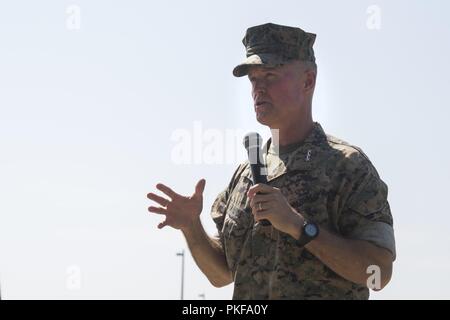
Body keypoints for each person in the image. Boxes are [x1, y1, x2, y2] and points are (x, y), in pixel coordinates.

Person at [147, 22, 396, 300]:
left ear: (308, 81)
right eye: (253, 79)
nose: (259, 89)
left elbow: (379, 273)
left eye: (270, 75)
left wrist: (299, 226)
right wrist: (192, 228)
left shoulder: (348, 166)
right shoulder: (245, 174)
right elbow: (221, 275)